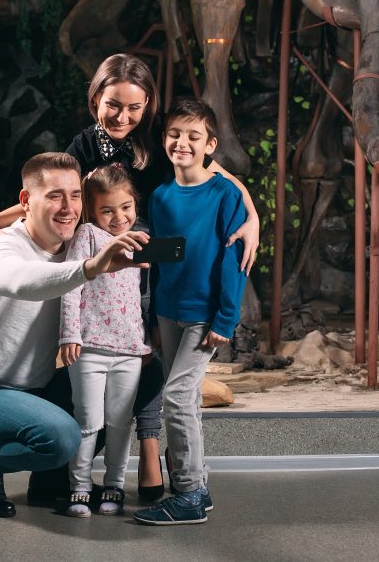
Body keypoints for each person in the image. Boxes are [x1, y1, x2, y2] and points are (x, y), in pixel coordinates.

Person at [0, 53, 259, 501]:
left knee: (145, 367)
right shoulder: (83, 146)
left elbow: (215, 172)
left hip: (150, 275)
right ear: (95, 101)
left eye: (134, 107)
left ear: (148, 107)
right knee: (88, 390)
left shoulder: (160, 141)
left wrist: (253, 215)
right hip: (98, 276)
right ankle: (64, 474)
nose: (123, 116)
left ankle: (148, 455)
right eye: (113, 106)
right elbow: (54, 192)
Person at [0, 152, 148, 518]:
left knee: (147, 374)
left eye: (75, 195)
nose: (67, 207)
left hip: (38, 389)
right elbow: (23, 281)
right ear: (25, 202)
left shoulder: (78, 243)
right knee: (62, 436)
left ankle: (53, 483)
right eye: (55, 195)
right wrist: (89, 268)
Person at [133, 98, 247, 526]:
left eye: (193, 136)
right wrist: (153, 321)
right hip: (168, 313)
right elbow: (161, 261)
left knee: (178, 398)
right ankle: (199, 485)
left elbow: (235, 261)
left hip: (204, 315)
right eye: (174, 134)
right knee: (186, 403)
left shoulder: (225, 194)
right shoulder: (160, 196)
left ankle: (188, 493)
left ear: (210, 144)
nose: (182, 143)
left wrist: (225, 319)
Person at [59, 165, 149, 517]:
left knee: (119, 421)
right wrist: (69, 334)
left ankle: (114, 486)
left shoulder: (141, 239)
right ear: (94, 211)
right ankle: (79, 487)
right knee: (87, 422)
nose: (118, 217)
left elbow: (140, 297)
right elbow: (70, 285)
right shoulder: (88, 236)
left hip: (129, 350)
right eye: (107, 210)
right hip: (90, 348)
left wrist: (144, 342)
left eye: (126, 207)